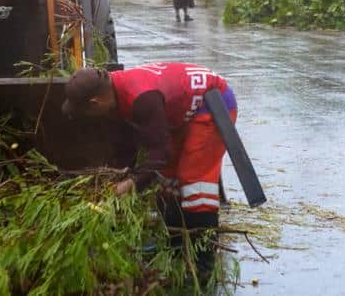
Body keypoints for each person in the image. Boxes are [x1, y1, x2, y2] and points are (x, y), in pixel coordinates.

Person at [61, 63, 237, 277]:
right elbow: (129, 146)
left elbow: (159, 154)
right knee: (169, 178)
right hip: (180, 110)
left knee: (194, 179)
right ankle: (175, 245)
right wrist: (119, 175)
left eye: (85, 111)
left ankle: (203, 261)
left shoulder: (142, 98)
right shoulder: (113, 95)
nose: (88, 117)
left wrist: (132, 183)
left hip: (213, 103)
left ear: (95, 102)